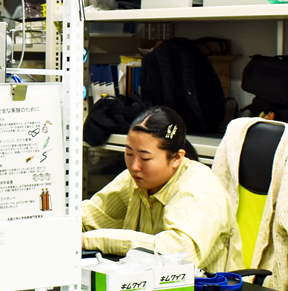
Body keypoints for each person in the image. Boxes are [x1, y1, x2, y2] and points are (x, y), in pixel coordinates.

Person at [81, 106, 233, 272]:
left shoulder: (199, 187)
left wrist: (94, 240)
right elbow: (89, 217)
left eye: (145, 158)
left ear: (177, 158)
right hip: (148, 286)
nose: (134, 166)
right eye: (129, 154)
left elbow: (179, 253)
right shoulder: (135, 179)